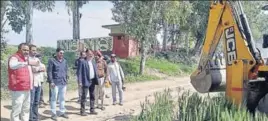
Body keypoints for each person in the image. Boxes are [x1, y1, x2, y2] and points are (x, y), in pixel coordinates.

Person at [8, 43, 39, 121]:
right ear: (19, 49)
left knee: (26, 108)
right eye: (24, 50)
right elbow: (12, 65)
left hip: (27, 87)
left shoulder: (26, 58)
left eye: (28, 50)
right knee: (17, 109)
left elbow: (32, 71)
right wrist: (26, 63)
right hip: (18, 88)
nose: (27, 52)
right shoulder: (14, 57)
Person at [47, 48, 69, 120]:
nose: (62, 54)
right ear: (56, 53)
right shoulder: (52, 60)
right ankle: (53, 114)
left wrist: (66, 78)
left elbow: (66, 70)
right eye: (60, 53)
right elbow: (49, 71)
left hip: (63, 82)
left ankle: (62, 112)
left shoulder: (64, 61)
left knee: (62, 98)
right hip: (55, 83)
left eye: (62, 53)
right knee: (54, 99)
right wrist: (51, 81)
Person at [77, 49, 99, 116]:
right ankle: (82, 111)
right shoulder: (82, 61)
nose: (91, 54)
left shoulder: (93, 61)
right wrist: (80, 81)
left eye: (91, 53)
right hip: (85, 81)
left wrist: (97, 79)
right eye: (89, 53)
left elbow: (95, 71)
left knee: (92, 96)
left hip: (92, 81)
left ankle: (92, 110)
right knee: (84, 97)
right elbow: (79, 72)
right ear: (86, 54)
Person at [28, 44, 46, 121]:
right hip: (32, 83)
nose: (35, 52)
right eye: (33, 50)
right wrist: (39, 69)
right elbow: (34, 70)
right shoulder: (27, 59)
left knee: (36, 101)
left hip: (38, 83)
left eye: (35, 50)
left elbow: (43, 68)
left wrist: (38, 68)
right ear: (29, 50)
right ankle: (30, 118)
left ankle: (35, 117)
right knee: (31, 102)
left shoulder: (37, 59)